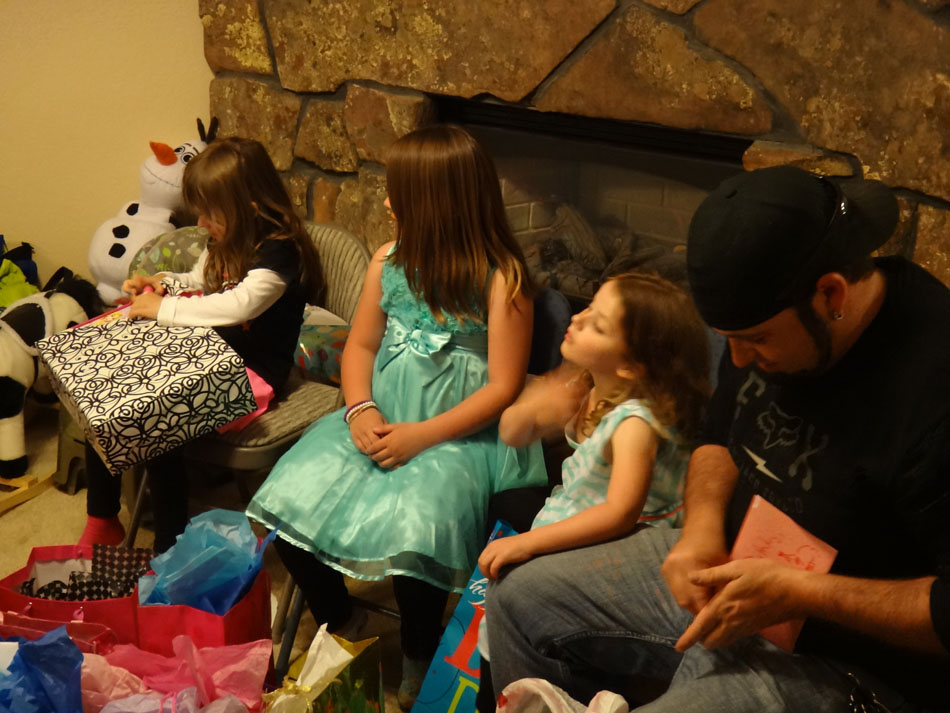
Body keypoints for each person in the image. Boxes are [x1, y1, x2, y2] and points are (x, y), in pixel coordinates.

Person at [485, 165, 950, 712]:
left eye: (755, 340)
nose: (739, 360)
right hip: (731, 568)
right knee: (515, 596)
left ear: (830, 293)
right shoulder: (765, 317)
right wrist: (701, 529)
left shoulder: (933, 388)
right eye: (727, 340)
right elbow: (718, 434)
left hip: (847, 656)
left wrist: (800, 591)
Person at [245, 124, 548, 710]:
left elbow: (504, 386)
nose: (386, 202)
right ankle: (342, 616)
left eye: (397, 192)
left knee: (421, 531)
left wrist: (422, 436)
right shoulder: (387, 260)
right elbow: (360, 346)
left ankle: (418, 649)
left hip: (460, 437)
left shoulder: (503, 278)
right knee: (288, 499)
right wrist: (359, 408)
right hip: (377, 420)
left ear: (436, 203)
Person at [474, 272, 709, 711]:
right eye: (589, 308)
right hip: (571, 522)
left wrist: (527, 543)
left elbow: (620, 512)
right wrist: (536, 407)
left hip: (605, 552)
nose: (578, 318)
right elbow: (511, 433)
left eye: (597, 325)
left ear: (629, 366)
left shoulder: (635, 422)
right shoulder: (588, 384)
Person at [79, 136, 325, 552]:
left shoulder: (280, 253)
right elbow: (199, 280)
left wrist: (163, 308)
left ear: (250, 209)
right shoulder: (225, 238)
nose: (202, 224)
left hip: (251, 375)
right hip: (207, 356)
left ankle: (169, 545)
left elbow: (239, 304)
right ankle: (101, 517)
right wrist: (163, 283)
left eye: (211, 214)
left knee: (158, 423)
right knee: (107, 391)